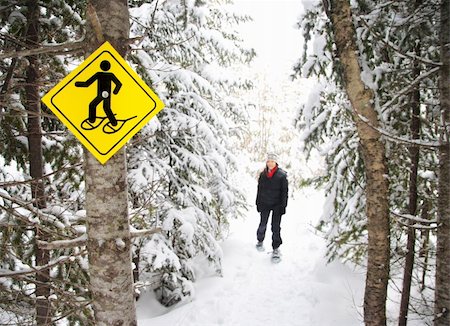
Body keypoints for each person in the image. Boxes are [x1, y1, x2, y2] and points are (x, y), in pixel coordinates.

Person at [255, 153, 288, 260]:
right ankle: (260, 241)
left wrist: (283, 206)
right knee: (262, 224)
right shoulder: (263, 175)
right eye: (268, 161)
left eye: (272, 161)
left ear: (276, 162)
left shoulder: (282, 176)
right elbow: (259, 190)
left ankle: (276, 248)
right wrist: (258, 202)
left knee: (275, 227)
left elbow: (284, 193)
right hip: (265, 203)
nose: (270, 163)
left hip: (277, 205)